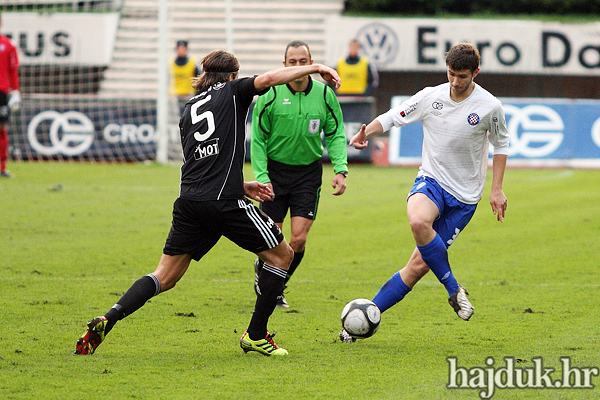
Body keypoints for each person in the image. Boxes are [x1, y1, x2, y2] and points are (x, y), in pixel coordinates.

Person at [74, 49, 342, 356]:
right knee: (282, 256)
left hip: (190, 202)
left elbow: (200, 164)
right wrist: (316, 66)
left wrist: (242, 185)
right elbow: (268, 78)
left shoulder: (189, 108)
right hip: (223, 203)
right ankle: (256, 335)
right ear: (232, 76)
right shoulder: (232, 90)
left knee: (164, 276)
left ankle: (109, 317)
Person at [340, 42, 509, 342]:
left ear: (476, 73)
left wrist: (497, 189)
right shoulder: (431, 97)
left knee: (417, 266)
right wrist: (367, 132)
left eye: (462, 76)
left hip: (464, 198)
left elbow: (502, 144)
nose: (455, 82)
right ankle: (453, 289)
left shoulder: (489, 106)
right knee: (418, 221)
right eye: (451, 74)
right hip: (432, 180)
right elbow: (394, 116)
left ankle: (363, 320)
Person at [251, 40, 348, 308]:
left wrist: (340, 169)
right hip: (274, 173)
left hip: (308, 173)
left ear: (310, 63)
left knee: (299, 239)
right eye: (292, 62)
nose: (297, 66)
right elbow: (257, 141)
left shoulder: (325, 94)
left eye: (302, 61)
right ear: (284, 65)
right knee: (274, 240)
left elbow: (336, 133)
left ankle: (277, 286)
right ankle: (268, 280)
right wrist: (261, 176)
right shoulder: (269, 96)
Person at [0, 14, 21, 178]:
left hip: (2, 92)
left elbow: (13, 70)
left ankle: (3, 168)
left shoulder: (8, 44)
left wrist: (16, 92)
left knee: (2, 129)